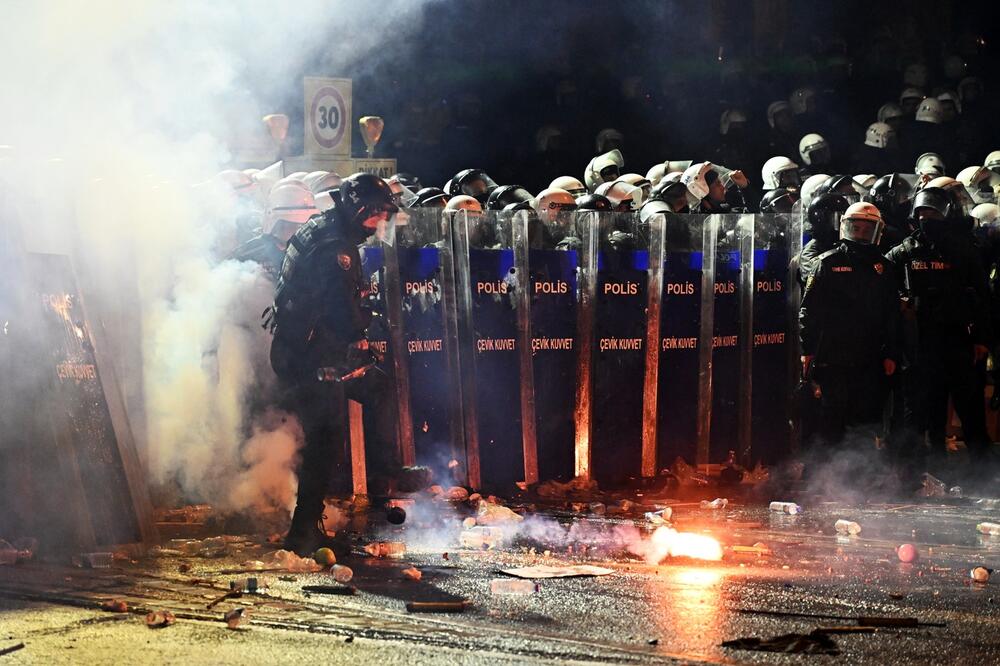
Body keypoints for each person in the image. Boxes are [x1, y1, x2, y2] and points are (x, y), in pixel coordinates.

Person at [266, 173, 410, 555]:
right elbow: (342, 314)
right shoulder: (336, 249)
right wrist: (360, 336)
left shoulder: (325, 226)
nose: (378, 223)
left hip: (310, 348)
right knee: (326, 437)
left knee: (379, 388)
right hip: (311, 357)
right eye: (374, 215)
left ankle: (386, 481)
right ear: (356, 209)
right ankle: (303, 528)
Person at [885, 187, 994, 483]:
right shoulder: (903, 252)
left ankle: (984, 477)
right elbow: (884, 294)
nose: (925, 217)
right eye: (921, 212)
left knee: (971, 413)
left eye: (932, 212)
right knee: (919, 416)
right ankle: (914, 477)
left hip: (958, 343)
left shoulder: (964, 251)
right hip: (919, 346)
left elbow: (984, 298)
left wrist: (983, 339)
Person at [799, 202, 900, 452]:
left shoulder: (885, 268)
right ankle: (825, 475)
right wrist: (807, 349)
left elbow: (892, 314)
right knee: (832, 415)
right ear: (845, 227)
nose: (861, 234)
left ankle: (860, 474)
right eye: (856, 228)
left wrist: (891, 353)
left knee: (866, 418)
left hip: (871, 355)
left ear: (878, 231)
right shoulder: (827, 262)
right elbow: (808, 310)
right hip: (833, 355)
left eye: (867, 229)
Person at [230, 182, 318, 280]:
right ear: (275, 224)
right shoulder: (248, 254)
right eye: (291, 224)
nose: (300, 230)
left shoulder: (315, 252)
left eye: (303, 225)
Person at [795, 193, 850, 286]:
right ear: (822, 218)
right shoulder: (811, 250)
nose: (843, 224)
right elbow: (815, 276)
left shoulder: (845, 245)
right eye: (838, 218)